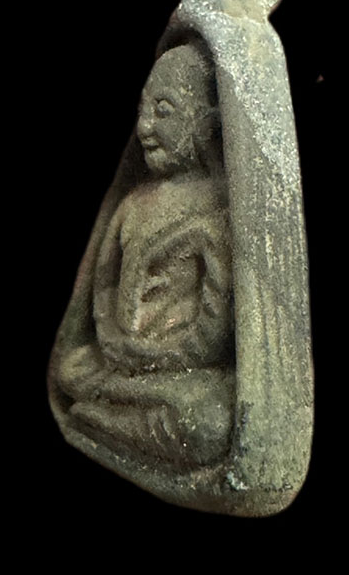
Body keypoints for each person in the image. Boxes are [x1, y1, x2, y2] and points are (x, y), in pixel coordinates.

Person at [56, 45, 235, 469]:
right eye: (142, 111)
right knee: (71, 369)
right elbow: (103, 288)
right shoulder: (133, 204)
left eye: (163, 111)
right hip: (121, 364)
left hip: (179, 371)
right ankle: (112, 414)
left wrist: (159, 358)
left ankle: (99, 417)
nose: (144, 127)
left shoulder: (219, 209)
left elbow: (216, 327)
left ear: (207, 123)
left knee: (209, 423)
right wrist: (112, 342)